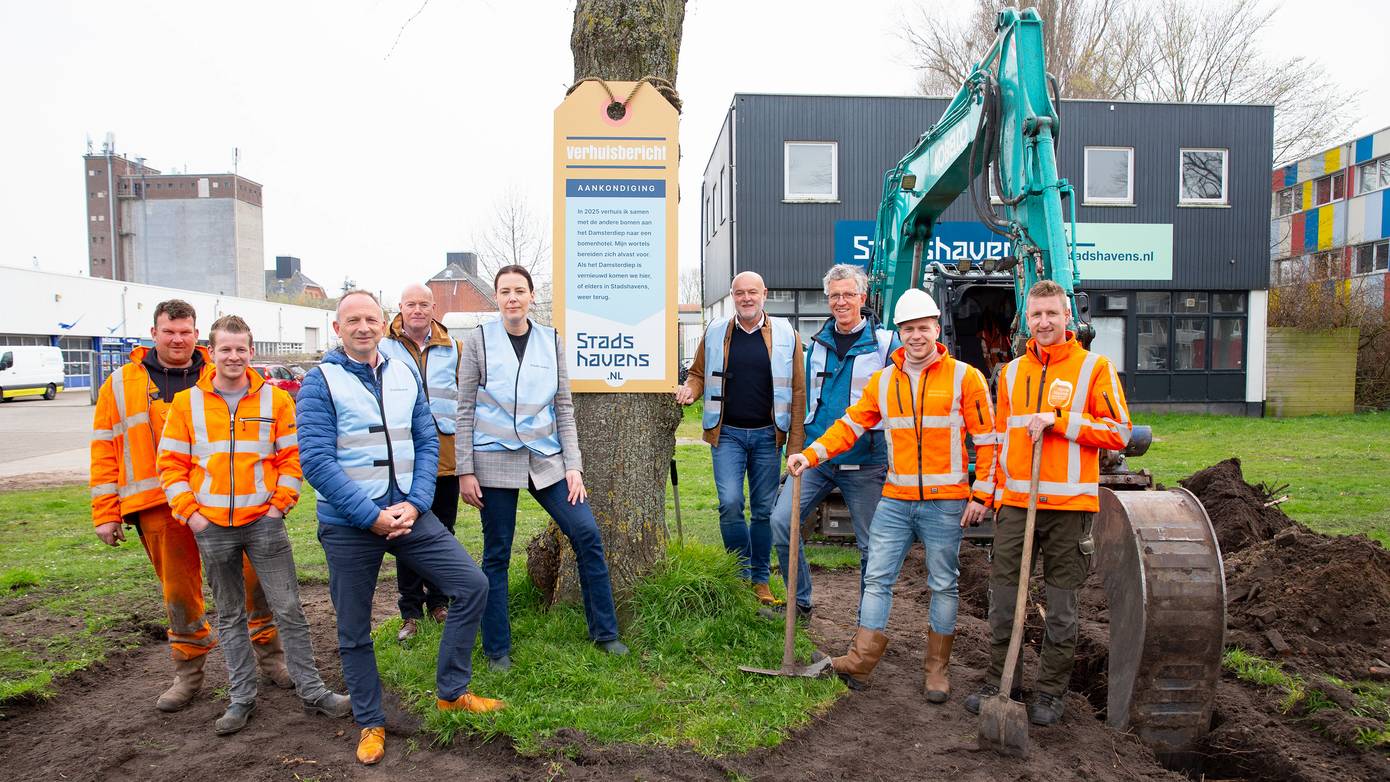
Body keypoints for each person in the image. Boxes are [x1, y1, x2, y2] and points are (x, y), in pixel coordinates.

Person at [296, 290, 500, 766]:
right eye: (353, 320)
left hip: (409, 512)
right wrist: (369, 516)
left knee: (471, 585)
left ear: (380, 322)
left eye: (370, 318)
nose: (363, 327)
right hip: (350, 523)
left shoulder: (403, 371)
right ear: (338, 328)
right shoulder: (319, 381)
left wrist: (417, 501)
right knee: (353, 628)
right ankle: (370, 721)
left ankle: (451, 691)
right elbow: (316, 461)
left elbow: (427, 438)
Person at [788, 289, 996, 698]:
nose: (916, 336)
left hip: (945, 500)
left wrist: (981, 494)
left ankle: (937, 669)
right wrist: (809, 456)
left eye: (923, 328)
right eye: (908, 329)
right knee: (878, 576)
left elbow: (988, 440)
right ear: (898, 333)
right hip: (896, 498)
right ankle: (861, 661)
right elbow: (850, 425)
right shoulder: (884, 382)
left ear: (936, 329)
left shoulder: (964, 377)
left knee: (943, 584)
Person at [90, 299, 289, 713]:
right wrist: (106, 511)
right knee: (180, 593)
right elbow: (105, 449)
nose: (177, 339)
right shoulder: (120, 384)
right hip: (158, 505)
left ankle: (272, 659)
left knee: (255, 583)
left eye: (185, 332)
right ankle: (189, 672)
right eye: (169, 331)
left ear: (198, 336)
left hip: (230, 506)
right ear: (154, 334)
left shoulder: (219, 373)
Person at [157, 315, 351, 735]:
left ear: (251, 351)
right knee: (229, 616)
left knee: (289, 610)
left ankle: (313, 691)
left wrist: (279, 505)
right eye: (225, 349)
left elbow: (290, 459)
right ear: (211, 351)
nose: (233, 356)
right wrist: (191, 514)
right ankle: (241, 698)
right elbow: (170, 465)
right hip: (211, 528)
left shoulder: (276, 401)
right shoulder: (188, 404)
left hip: (264, 524)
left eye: (241, 348)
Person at [963, 280, 1132, 726]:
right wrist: (991, 493)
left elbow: (1119, 431)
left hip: (1070, 507)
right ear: (1027, 319)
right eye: (1036, 315)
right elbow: (999, 442)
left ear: (1067, 318)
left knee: (1060, 607)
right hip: (1017, 505)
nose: (1043, 322)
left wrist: (1059, 421)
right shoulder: (1012, 373)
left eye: (1052, 314)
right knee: (1004, 600)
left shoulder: (1094, 368)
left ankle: (1051, 694)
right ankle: (1001, 683)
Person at [457, 265, 626, 672]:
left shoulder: (551, 340)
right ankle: (497, 649)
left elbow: (563, 408)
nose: (512, 298)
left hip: (545, 458)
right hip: (494, 457)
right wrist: (465, 469)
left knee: (586, 532)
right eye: (504, 292)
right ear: (496, 298)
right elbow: (464, 410)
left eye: (519, 290)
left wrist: (574, 467)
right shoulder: (478, 341)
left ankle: (606, 633)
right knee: (496, 552)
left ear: (532, 295)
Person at [769, 264, 897, 620]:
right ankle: (800, 603)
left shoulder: (886, 345)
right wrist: (796, 449)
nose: (841, 302)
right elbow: (802, 399)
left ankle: (866, 622)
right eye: (834, 296)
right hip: (816, 459)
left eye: (848, 295)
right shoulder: (817, 345)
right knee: (782, 524)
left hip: (865, 463)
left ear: (862, 297)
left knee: (873, 546)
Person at [676, 271, 805, 606]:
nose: (746, 298)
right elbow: (698, 373)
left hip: (768, 436)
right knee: (731, 504)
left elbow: (798, 390)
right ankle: (739, 574)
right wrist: (690, 390)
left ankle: (760, 581)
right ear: (733, 296)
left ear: (765, 294)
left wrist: (794, 444)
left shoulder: (786, 334)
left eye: (752, 292)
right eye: (739, 293)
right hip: (728, 434)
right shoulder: (717, 330)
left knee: (763, 511)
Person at [378, 283, 464, 642]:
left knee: (443, 530)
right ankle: (410, 611)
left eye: (423, 304)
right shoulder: (384, 346)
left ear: (433, 308)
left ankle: (440, 602)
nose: (417, 309)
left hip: (445, 455)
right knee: (407, 532)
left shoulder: (453, 346)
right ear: (400, 307)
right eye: (410, 304)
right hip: (404, 455)